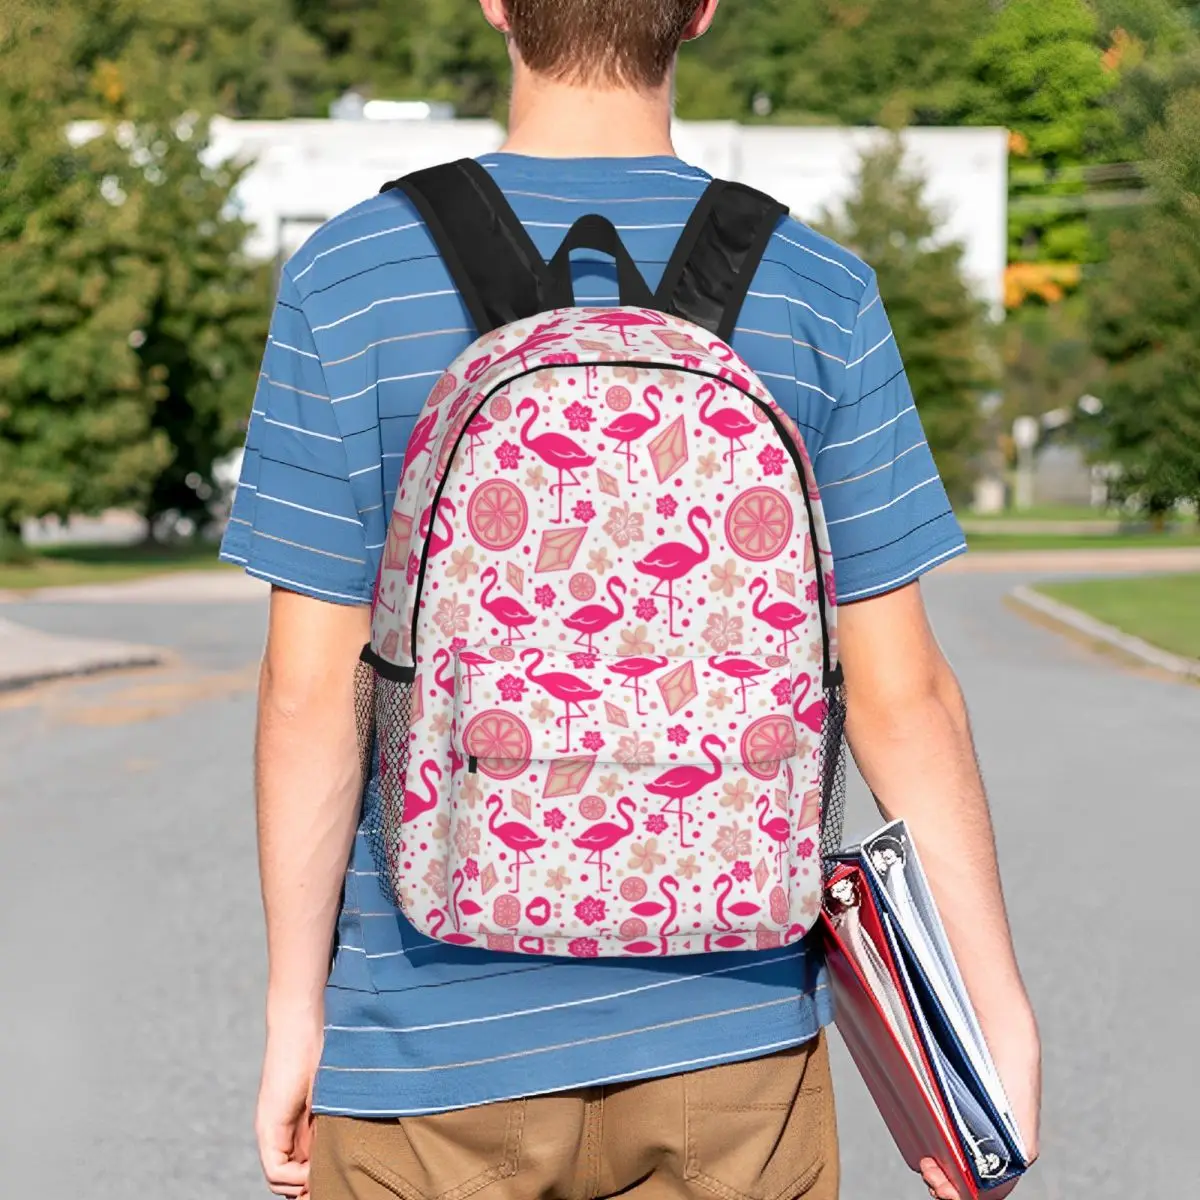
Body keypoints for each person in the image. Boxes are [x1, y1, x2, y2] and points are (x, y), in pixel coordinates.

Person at [221, 3, 1041, 1198]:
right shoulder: (819, 289)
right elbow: (902, 695)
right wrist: (988, 1012)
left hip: (427, 1045)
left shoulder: (351, 280)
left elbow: (309, 692)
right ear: (702, 9)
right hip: (735, 1043)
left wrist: (298, 1012)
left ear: (497, 3)